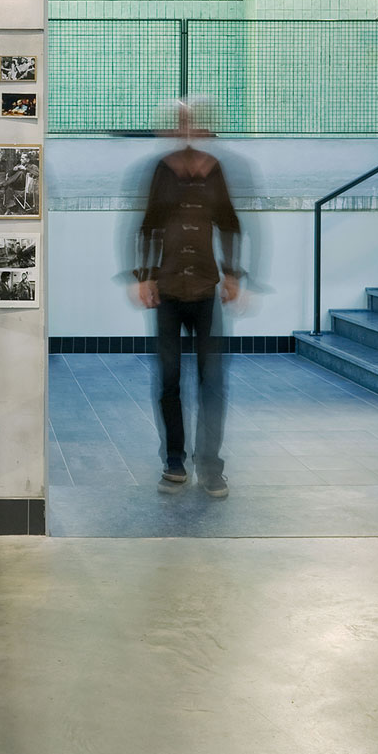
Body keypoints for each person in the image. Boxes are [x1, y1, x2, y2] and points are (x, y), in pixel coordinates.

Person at [133, 98, 242, 499]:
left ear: (202, 128)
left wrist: (232, 273)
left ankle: (210, 465)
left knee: (211, 382)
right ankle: (174, 461)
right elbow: (148, 226)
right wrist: (145, 276)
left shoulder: (214, 170)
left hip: (205, 290)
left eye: (192, 122)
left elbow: (229, 223)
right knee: (169, 379)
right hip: (167, 290)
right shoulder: (163, 171)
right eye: (179, 123)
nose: (186, 129)